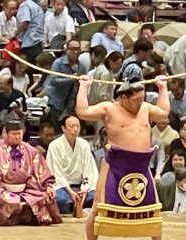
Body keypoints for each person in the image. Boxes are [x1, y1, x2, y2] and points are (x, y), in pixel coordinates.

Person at [76, 71, 169, 239]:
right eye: (136, 99)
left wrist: (162, 88)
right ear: (124, 97)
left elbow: (163, 112)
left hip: (141, 166)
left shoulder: (146, 109)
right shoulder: (109, 108)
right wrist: (84, 86)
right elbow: (82, 111)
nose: (140, 103)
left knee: (153, 208)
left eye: (142, 98)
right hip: (115, 165)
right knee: (98, 206)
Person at [0, 120, 62, 226]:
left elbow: (42, 172)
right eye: (13, 134)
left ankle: (24, 216)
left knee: (45, 196)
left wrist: (48, 186)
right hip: (2, 190)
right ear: (6, 133)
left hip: (27, 190)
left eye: (19, 134)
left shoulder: (32, 151)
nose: (17, 137)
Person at [46, 114, 99, 214]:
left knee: (96, 197)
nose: (75, 129)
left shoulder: (84, 144)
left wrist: (85, 189)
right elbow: (56, 173)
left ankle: (82, 206)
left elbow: (89, 169)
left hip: (81, 185)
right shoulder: (55, 146)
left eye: (77, 126)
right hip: (63, 187)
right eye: (71, 126)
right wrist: (70, 191)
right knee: (61, 201)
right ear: (63, 128)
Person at [45, 39, 87, 132]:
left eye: (78, 49)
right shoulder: (58, 63)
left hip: (73, 105)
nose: (75, 52)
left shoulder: (82, 66)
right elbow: (53, 81)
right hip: (57, 103)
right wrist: (71, 79)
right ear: (66, 50)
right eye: (72, 49)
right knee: (57, 132)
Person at [14, 0, 45, 65]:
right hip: (38, 44)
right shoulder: (37, 7)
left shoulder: (24, 5)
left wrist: (15, 33)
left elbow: (25, 22)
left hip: (29, 44)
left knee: (26, 70)